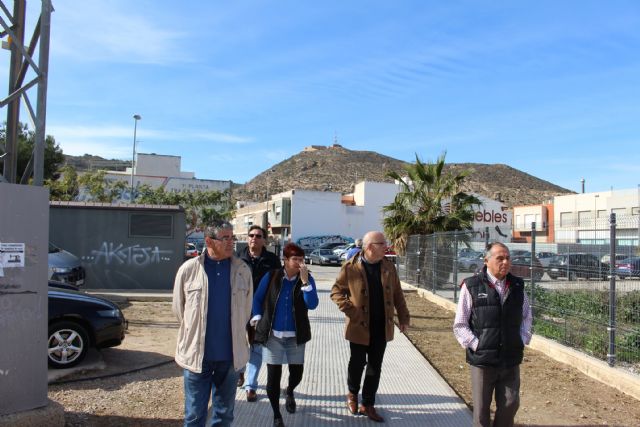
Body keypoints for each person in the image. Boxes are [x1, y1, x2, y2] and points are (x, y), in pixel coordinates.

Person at [172, 221, 253, 427]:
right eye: (225, 238)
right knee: (194, 415)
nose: (231, 243)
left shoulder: (242, 270)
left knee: (224, 415)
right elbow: (179, 310)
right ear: (209, 241)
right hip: (196, 357)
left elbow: (246, 310)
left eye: (232, 237)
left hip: (230, 358)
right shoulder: (189, 270)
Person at [330, 231, 410, 423]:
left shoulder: (389, 267)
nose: (386, 246)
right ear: (369, 247)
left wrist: (404, 317)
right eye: (382, 243)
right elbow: (336, 291)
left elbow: (398, 294)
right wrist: (352, 310)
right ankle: (352, 394)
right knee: (357, 364)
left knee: (375, 367)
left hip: (381, 326)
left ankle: (368, 403)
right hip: (359, 326)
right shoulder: (351, 268)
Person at [453, 242, 532, 427]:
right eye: (500, 258)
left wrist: (522, 338)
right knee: (481, 411)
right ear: (486, 261)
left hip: (510, 358)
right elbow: (460, 324)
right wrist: (476, 344)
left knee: (510, 403)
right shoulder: (471, 286)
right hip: (483, 361)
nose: (505, 262)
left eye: (507, 258)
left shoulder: (517, 286)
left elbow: (527, 315)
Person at [250, 243, 319, 427]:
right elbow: (257, 298)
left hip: (296, 336)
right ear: (285, 260)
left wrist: (305, 283)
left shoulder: (307, 279)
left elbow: (312, 305)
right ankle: (276, 414)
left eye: (301, 260)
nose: (299, 263)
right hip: (273, 336)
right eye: (295, 259)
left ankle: (289, 391)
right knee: (273, 376)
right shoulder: (272, 276)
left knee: (297, 374)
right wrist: (257, 316)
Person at [237, 225, 282, 401]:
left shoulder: (272, 260)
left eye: (258, 235)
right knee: (239, 345)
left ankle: (251, 386)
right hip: (239, 309)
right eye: (251, 235)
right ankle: (240, 372)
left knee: (256, 347)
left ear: (264, 240)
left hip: (261, 311)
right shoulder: (237, 258)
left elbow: (277, 285)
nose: (254, 238)